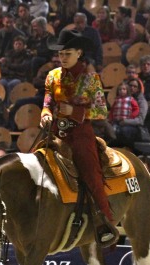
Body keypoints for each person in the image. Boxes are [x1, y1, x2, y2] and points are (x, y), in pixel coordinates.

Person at [40, 30, 118, 247]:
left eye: (67, 53)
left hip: (80, 133)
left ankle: (106, 223)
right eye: (61, 54)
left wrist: (75, 112)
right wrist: (45, 114)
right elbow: (47, 103)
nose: (62, 58)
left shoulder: (91, 80)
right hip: (54, 130)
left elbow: (102, 112)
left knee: (91, 173)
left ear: (79, 53)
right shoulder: (52, 76)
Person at [109, 82, 140, 150]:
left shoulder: (130, 99)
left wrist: (131, 116)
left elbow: (136, 109)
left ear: (127, 90)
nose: (121, 91)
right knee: (113, 131)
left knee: (123, 131)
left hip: (125, 120)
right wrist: (110, 118)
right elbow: (112, 110)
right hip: (116, 121)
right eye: (120, 89)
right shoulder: (116, 100)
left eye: (124, 89)